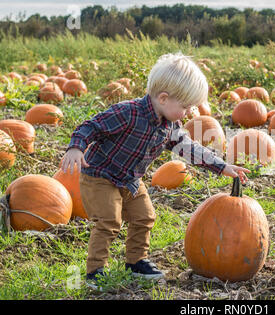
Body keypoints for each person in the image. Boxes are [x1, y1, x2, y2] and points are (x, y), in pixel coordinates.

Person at [61, 52, 250, 290]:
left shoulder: (171, 126)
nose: (189, 112)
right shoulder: (127, 113)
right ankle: (96, 271)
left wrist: (222, 166)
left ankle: (136, 262)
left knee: (145, 216)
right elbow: (91, 126)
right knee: (110, 221)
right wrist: (76, 148)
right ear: (163, 98)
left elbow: (190, 149)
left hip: (129, 180)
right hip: (100, 176)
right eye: (186, 106)